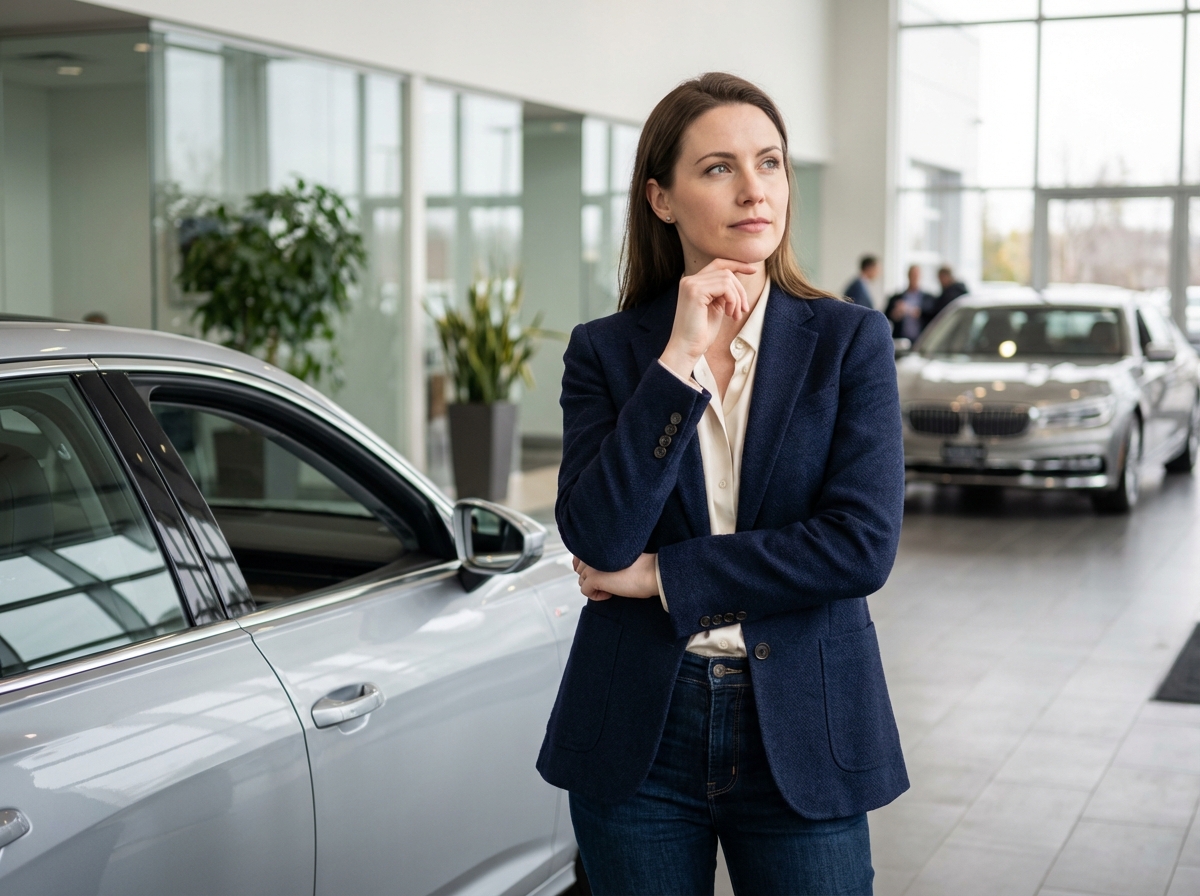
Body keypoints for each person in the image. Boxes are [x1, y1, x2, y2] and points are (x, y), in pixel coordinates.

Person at [537, 72, 907, 896]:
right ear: (661, 198)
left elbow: (860, 546)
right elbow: (599, 536)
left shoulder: (849, 342)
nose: (754, 189)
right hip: (640, 729)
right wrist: (678, 362)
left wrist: (663, 576)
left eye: (770, 163)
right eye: (718, 168)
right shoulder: (607, 351)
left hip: (805, 722)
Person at [885, 265, 933, 341]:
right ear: (908, 276)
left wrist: (913, 311)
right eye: (912, 275)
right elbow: (886, 316)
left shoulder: (929, 298)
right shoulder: (896, 298)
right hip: (901, 340)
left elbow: (932, 316)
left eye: (916, 275)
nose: (914, 278)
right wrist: (895, 314)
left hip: (921, 340)